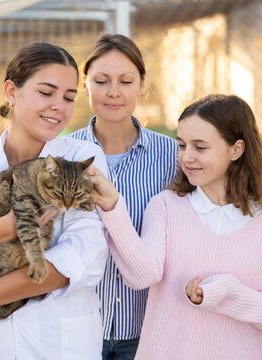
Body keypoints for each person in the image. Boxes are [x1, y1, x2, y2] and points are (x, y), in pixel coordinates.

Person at [87, 94, 262, 359]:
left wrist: (225, 292)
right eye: (182, 145)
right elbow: (142, 276)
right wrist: (112, 207)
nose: (186, 157)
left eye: (200, 147)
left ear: (236, 150)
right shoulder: (165, 206)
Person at [0, 42, 109, 359]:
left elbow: (84, 255)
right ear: (11, 92)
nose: (60, 106)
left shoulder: (80, 160)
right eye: (46, 92)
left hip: (57, 344)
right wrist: (8, 226)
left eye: (69, 97)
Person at [68, 34, 179, 359]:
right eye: (101, 81)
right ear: (85, 86)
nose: (114, 92)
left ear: (142, 85)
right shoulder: (65, 154)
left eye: (126, 81)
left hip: (148, 328)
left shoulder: (173, 155)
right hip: (79, 327)